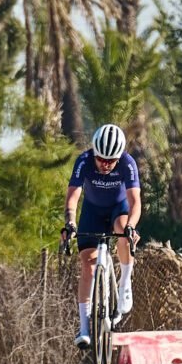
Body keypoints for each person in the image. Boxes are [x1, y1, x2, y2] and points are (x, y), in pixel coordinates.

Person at [61, 124, 142, 351]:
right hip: (92, 212)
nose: (105, 165)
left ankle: (125, 281)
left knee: (122, 228)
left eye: (111, 161)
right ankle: (85, 327)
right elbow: (73, 197)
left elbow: (135, 201)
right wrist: (70, 222)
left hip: (119, 208)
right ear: (94, 153)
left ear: (119, 157)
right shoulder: (84, 161)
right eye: (101, 160)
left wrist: (132, 227)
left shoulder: (127, 163)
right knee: (87, 265)